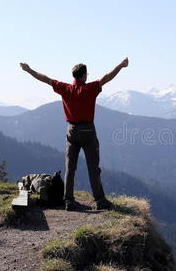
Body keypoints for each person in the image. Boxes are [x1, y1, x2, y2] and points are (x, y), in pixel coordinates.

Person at [19, 57, 129, 210]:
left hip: (71, 130)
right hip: (88, 131)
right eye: (87, 74)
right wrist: (121, 66)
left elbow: (46, 79)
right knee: (93, 168)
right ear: (83, 76)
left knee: (70, 168)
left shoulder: (65, 89)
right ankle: (100, 200)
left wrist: (29, 70)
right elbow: (107, 78)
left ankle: (69, 201)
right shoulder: (90, 88)